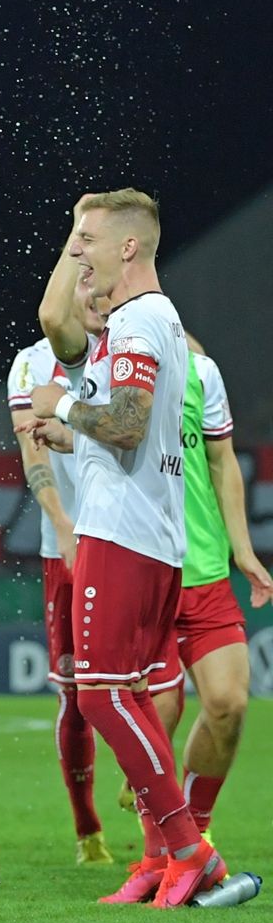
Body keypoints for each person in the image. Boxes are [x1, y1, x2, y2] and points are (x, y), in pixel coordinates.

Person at [21, 188, 232, 907]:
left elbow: (128, 426)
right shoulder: (149, 323)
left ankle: (186, 848)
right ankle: (157, 858)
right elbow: (62, 329)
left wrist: (64, 409)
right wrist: (77, 427)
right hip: (153, 536)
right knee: (130, 695)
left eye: (88, 240)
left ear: (129, 249)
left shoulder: (139, 324)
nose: (80, 251)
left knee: (103, 695)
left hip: (123, 536)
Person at [6, 277, 114, 865]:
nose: (91, 298)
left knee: (146, 683)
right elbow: (34, 452)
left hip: (131, 540)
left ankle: (160, 815)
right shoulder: (30, 365)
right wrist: (63, 523)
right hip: (65, 547)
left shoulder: (129, 347)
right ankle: (88, 831)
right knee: (77, 696)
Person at [150, 340, 271, 836]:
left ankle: (195, 830)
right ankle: (160, 852)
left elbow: (222, 463)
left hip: (203, 569)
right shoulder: (100, 364)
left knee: (229, 703)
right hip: (140, 572)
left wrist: (242, 550)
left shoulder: (199, 372)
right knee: (155, 717)